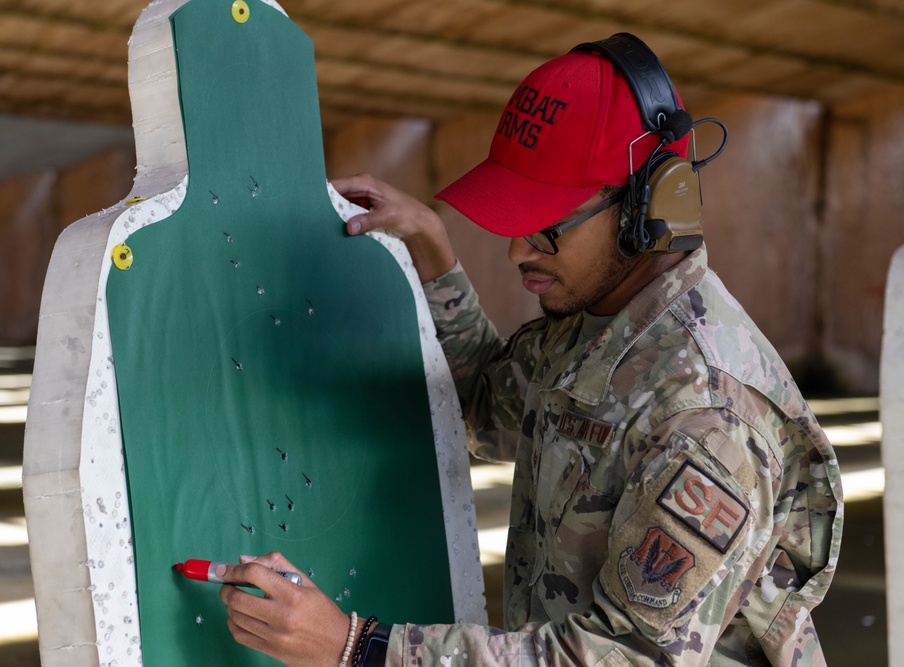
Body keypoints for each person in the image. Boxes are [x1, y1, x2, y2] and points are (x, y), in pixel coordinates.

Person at [216, 34, 843, 666]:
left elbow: (620, 655)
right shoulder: (600, 324)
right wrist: (431, 251)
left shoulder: (705, 413)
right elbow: (484, 410)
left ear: (649, 203)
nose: (518, 251)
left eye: (546, 226)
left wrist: (359, 648)